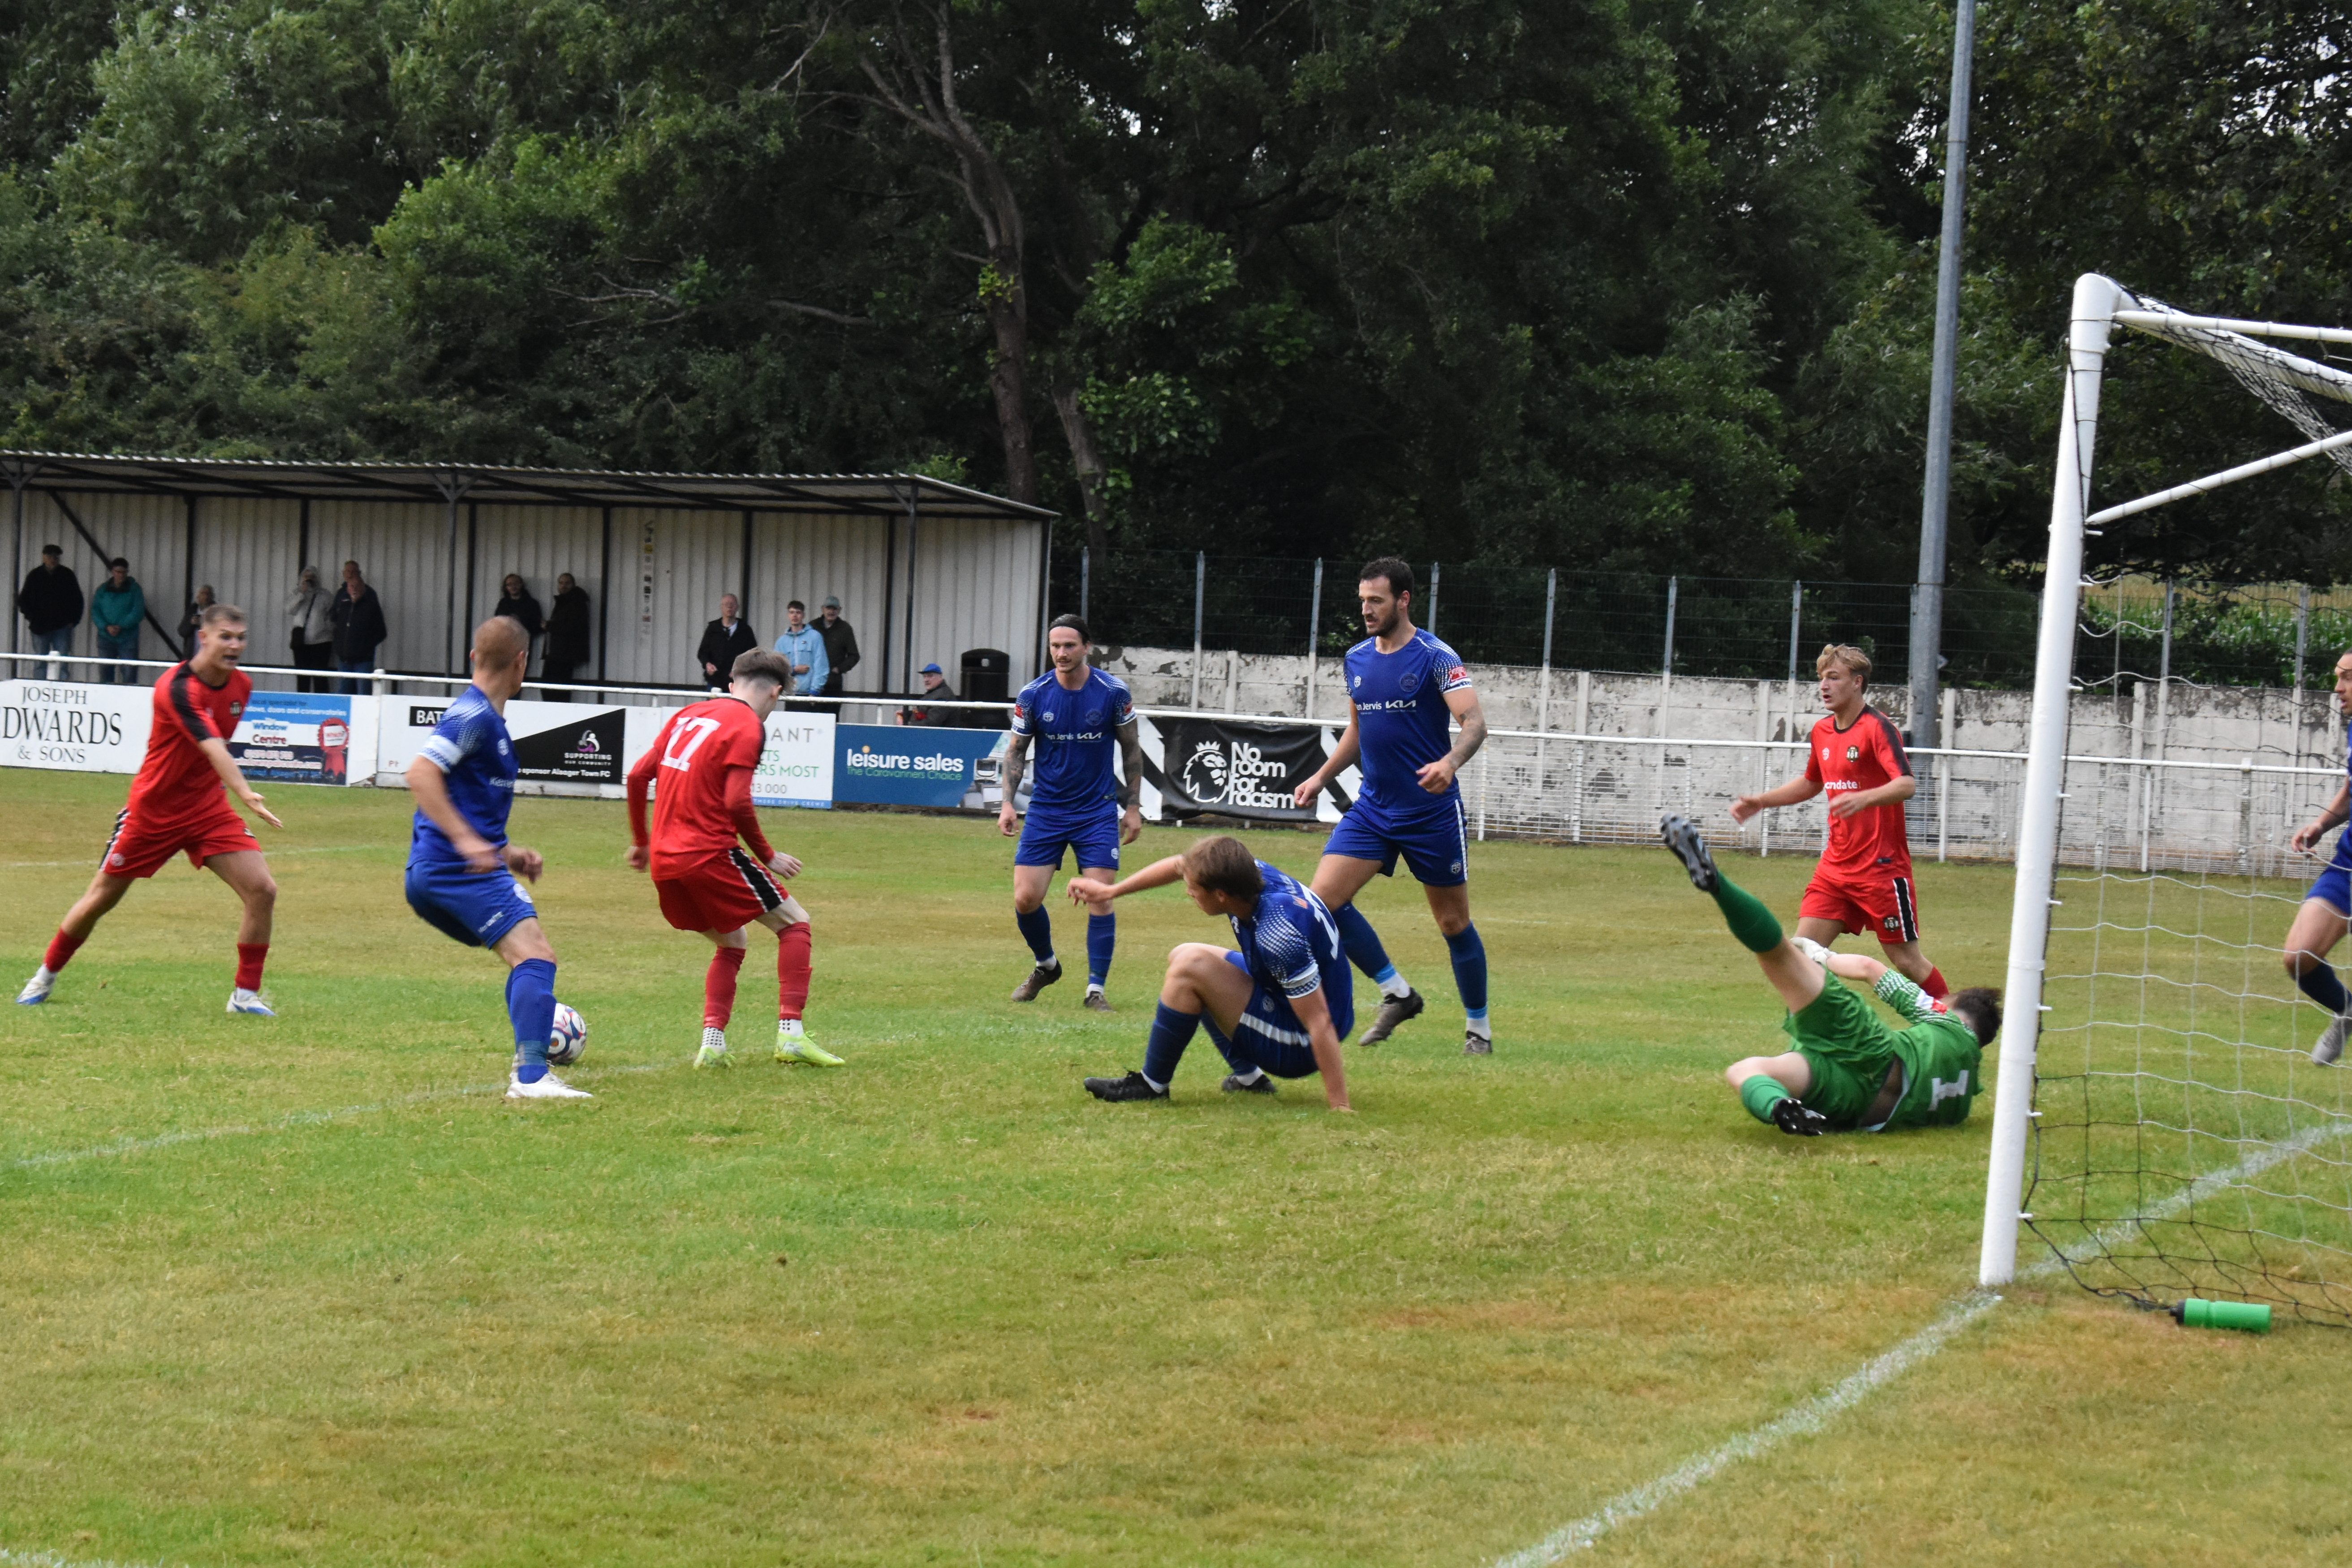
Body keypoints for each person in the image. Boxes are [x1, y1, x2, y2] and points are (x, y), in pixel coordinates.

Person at [17, 603, 283, 1013]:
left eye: (241, 638)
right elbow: (212, 746)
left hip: (207, 809)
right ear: (203, 638)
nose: (235, 646)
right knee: (101, 899)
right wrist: (246, 793)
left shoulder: (241, 686)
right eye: (226, 637)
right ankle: (44, 976)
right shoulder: (176, 688)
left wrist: (230, 795)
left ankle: (245, 996)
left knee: (262, 890)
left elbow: (214, 750)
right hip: (153, 812)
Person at [1659, 814, 1999, 1135]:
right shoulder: (1963, 1100)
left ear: (1955, 1005)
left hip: (1872, 1055)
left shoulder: (1948, 1021)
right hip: (1858, 1106)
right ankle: (1780, 1107)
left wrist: (1820, 956)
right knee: (1746, 1070)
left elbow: (1870, 969)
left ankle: (1717, 886)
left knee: (1781, 954)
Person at [1289, 558, 1494, 1054]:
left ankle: (1479, 1030)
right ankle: (1397, 992)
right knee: (1321, 906)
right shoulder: (1356, 659)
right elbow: (1357, 731)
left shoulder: (1437, 657)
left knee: (1453, 924)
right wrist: (1320, 776)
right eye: (1363, 600)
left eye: (1376, 600)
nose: (1366, 609)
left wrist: (1450, 762)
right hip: (1374, 810)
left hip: (1431, 812)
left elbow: (1474, 724)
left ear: (1403, 600)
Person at [625, 648, 844, 1070]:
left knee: (732, 941)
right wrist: (768, 856)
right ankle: (791, 1035)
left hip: (666, 862)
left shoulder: (689, 714)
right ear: (776, 692)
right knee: (795, 923)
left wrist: (641, 841)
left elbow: (637, 776)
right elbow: (736, 802)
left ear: (731, 682)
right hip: (708, 853)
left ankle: (712, 1045)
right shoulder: (747, 725)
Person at [401, 616, 588, 1100]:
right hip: (454, 870)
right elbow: (420, 773)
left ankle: (529, 1066)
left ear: (473, 657)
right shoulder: (473, 717)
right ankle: (531, 1077)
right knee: (536, 955)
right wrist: (467, 842)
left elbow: (467, 805)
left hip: (436, 871)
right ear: (522, 662)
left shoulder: (485, 720)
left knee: (523, 957)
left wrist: (508, 852)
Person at [1073, 834, 1354, 1110]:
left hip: (1302, 1043)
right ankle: (1249, 1079)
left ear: (1220, 895)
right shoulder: (1245, 876)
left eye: (1194, 889)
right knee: (1184, 954)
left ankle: (1151, 1085)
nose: (1189, 892)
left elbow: (1319, 1021)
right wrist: (1111, 891)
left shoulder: (1277, 934)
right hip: (1302, 1003)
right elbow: (1180, 865)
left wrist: (1340, 1106)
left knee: (1190, 969)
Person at [1728, 644, 1947, 998]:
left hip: (1881, 870)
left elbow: (1906, 784)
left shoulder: (1877, 728)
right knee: (1800, 956)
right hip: (1835, 869)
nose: (1824, 686)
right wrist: (1762, 801)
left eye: (1834, 677)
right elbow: (1812, 783)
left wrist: (1864, 797)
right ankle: (1819, 1031)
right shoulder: (1822, 732)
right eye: (1822, 678)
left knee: (1907, 961)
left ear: (1858, 682)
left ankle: (1957, 1022)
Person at [1002, 614, 1143, 1011]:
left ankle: (1095, 990)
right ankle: (1046, 966)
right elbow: (1016, 751)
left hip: (1096, 811)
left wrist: (1133, 807)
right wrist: (1008, 803)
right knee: (1025, 899)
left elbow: (1132, 749)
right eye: (1055, 646)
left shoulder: (1113, 692)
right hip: (1046, 810)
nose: (1061, 653)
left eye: (1069, 646)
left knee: (1101, 896)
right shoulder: (1033, 695)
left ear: (1086, 648)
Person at [2283, 649, 2352, 1064]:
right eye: (2338, 677)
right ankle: (2348, 1010)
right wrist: (2322, 825)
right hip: (2349, 865)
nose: (2338, 688)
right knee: (2299, 958)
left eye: (2347, 678)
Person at [17, 543, 82, 679]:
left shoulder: (67, 575)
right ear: (44, 557)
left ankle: (62, 687)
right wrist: (32, 617)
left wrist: (73, 621)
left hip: (62, 626)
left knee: (63, 661)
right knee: (40, 661)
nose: (53, 560)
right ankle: (40, 687)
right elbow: (23, 600)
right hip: (40, 627)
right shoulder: (35, 576)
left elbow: (78, 600)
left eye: (56, 557)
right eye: (50, 557)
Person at [330, 561, 388, 695]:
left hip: (363, 660)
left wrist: (365, 647)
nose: (354, 589)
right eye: (351, 586)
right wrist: (339, 645)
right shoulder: (341, 595)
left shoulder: (370, 597)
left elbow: (381, 631)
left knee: (363, 695)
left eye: (354, 573)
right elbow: (334, 619)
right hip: (344, 659)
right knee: (344, 694)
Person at [91, 557, 145, 685]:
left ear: (127, 572)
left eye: (124, 572)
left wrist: (121, 626)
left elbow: (138, 611)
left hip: (128, 637)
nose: (121, 575)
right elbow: (95, 611)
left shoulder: (135, 590)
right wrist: (106, 626)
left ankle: (129, 695)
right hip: (105, 636)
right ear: (112, 572)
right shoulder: (102, 590)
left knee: (129, 672)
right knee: (105, 672)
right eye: (118, 572)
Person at [285, 566, 336, 692]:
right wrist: (302, 593)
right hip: (301, 643)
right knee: (303, 678)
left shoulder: (325, 595)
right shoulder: (296, 593)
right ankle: (303, 702)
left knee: (320, 679)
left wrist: (325, 628)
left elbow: (334, 615)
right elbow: (290, 610)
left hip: (321, 643)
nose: (309, 580)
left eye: (312, 577)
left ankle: (321, 702)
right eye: (306, 577)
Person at [543, 572, 592, 699]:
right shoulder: (565, 602)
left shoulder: (576, 603)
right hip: (558, 652)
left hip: (564, 653)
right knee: (551, 687)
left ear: (573, 585)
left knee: (557, 689)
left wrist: (549, 626)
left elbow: (572, 627)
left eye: (567, 583)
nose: (563, 586)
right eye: (561, 583)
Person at [696, 593, 757, 690]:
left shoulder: (745, 630)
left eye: (732, 604)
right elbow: (703, 652)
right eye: (726, 604)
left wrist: (740, 670)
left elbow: (753, 655)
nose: (729, 607)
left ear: (737, 607)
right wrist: (707, 664)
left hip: (737, 683)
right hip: (715, 681)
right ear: (721, 607)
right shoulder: (713, 628)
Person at [774, 600, 829, 705]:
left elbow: (821, 666)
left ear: (803, 615)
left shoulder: (815, 637)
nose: (795, 616)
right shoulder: (782, 642)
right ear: (788, 615)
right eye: (792, 612)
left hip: (810, 696)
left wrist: (815, 692)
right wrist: (794, 670)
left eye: (798, 613)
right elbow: (777, 668)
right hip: (790, 696)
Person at [494, 573, 544, 675]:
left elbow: (538, 626)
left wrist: (521, 623)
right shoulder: (503, 604)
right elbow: (497, 623)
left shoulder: (532, 604)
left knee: (519, 674)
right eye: (509, 585)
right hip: (505, 644)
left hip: (523, 644)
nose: (513, 587)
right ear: (506, 588)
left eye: (516, 584)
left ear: (521, 585)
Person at [816, 595, 860, 697]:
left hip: (834, 683)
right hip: (814, 681)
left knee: (833, 707)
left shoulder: (845, 629)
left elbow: (854, 656)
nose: (831, 612)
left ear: (840, 610)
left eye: (835, 609)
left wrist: (839, 669)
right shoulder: (813, 627)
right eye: (829, 608)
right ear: (823, 609)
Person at [900, 662, 961, 726]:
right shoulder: (934, 693)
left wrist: (907, 725)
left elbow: (932, 723)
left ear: (941, 677)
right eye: (925, 677)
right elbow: (925, 713)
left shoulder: (943, 696)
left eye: (930, 676)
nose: (926, 680)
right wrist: (906, 714)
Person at [177, 585, 215, 656]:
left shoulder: (216, 612)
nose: (206, 597)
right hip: (192, 655)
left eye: (208, 594)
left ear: (212, 597)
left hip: (209, 655)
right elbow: (182, 631)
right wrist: (191, 624)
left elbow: (217, 632)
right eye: (203, 594)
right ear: (198, 597)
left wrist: (202, 624)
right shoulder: (192, 610)